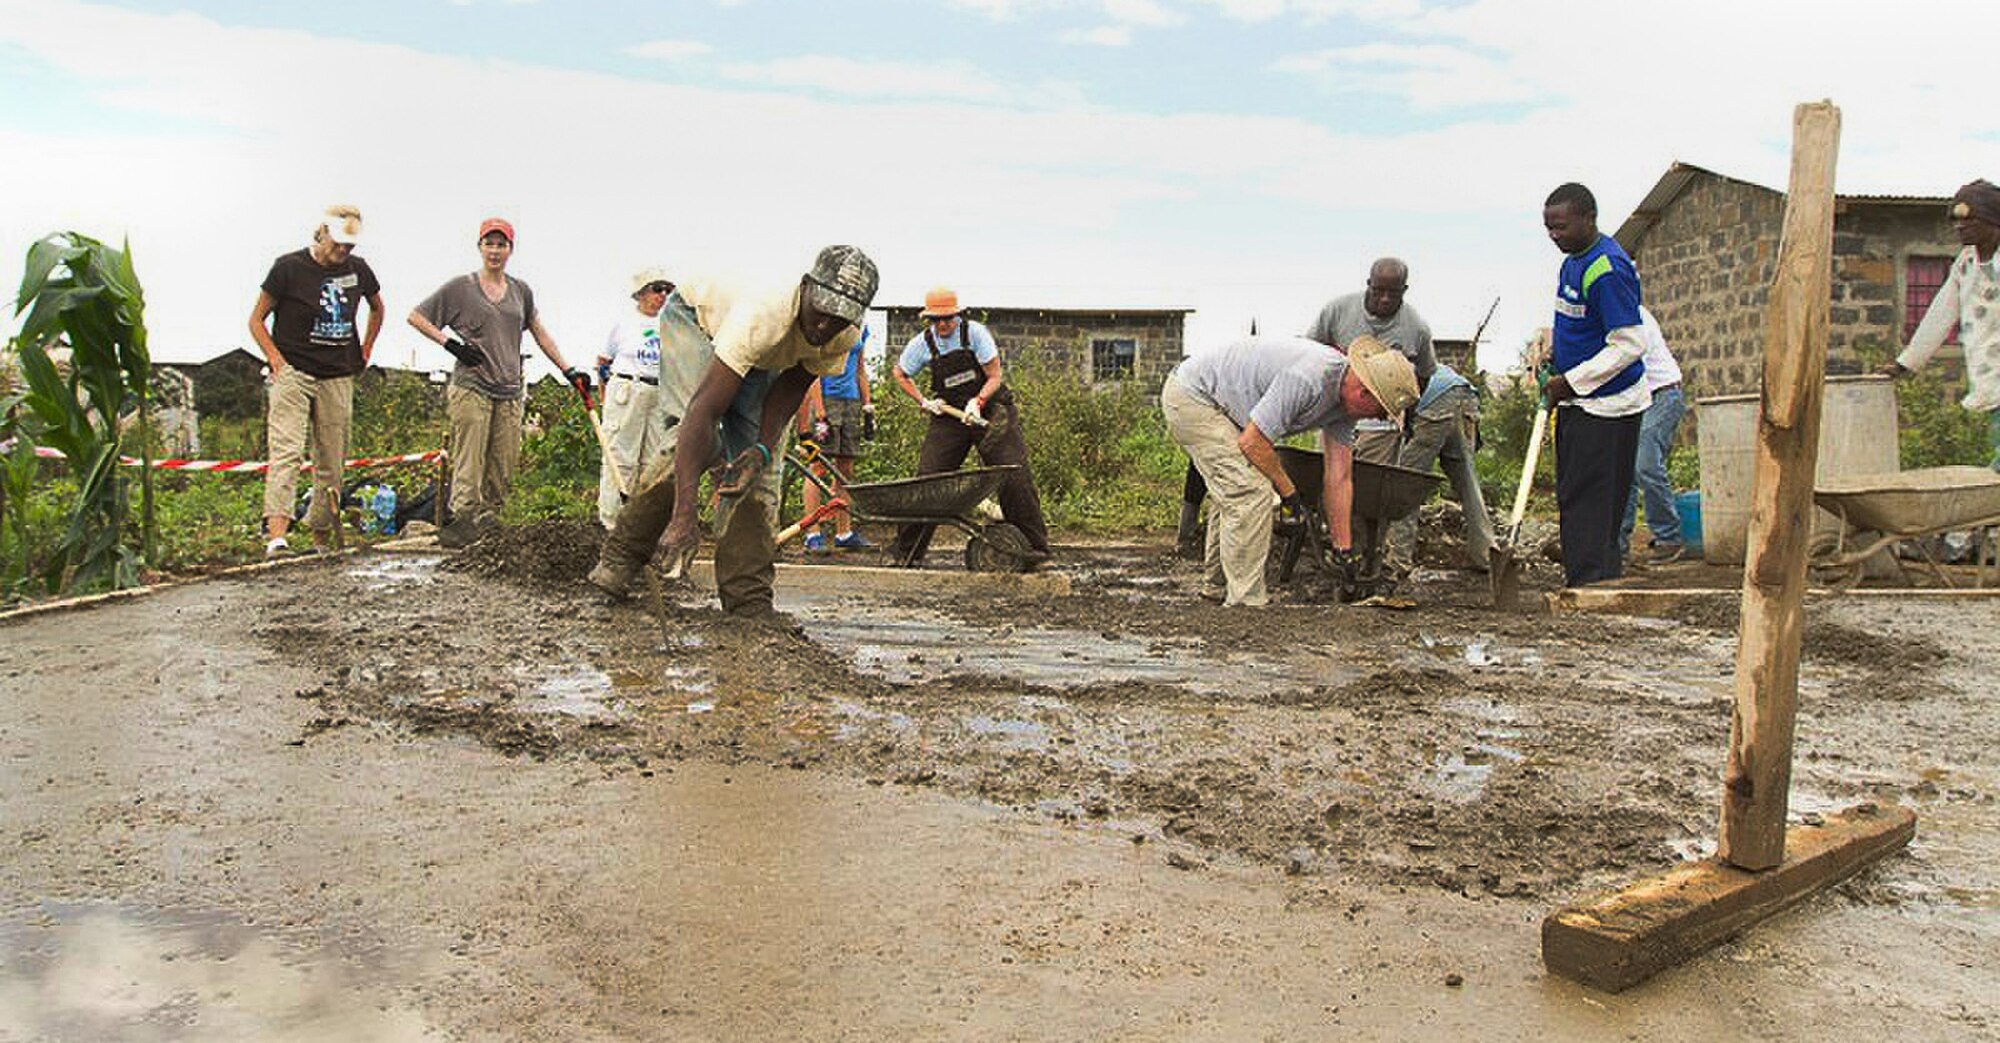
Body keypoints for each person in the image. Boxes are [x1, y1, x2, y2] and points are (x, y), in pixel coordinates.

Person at [586, 245, 880, 622]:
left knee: (759, 474)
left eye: (838, 319)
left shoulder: (842, 335)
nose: (824, 327)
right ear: (806, 287)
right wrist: (685, 515)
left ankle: (747, 597)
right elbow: (704, 411)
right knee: (690, 443)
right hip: (696, 320)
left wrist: (760, 448)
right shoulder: (764, 315)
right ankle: (620, 560)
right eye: (821, 311)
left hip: (763, 354)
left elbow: (792, 387)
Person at [1160, 333, 1418, 607]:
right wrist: (1289, 493)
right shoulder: (1309, 378)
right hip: (1194, 396)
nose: (1376, 419)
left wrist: (1342, 548)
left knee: (1237, 488)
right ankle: (1245, 603)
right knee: (1251, 491)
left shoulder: (1344, 407)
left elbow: (1339, 476)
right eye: (1379, 412)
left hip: (1227, 409)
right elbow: (1253, 442)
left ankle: (1216, 585)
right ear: (1363, 392)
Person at [408, 218, 589, 548]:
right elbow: (416, 316)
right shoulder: (460, 287)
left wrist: (568, 369)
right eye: (489, 243)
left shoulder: (520, 291)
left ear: (510, 249)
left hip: (509, 388)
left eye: (501, 244)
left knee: (502, 466)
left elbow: (539, 332)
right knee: (469, 461)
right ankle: (463, 526)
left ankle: (492, 533)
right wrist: (450, 343)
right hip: (472, 386)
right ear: (479, 247)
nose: (495, 250)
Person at [247, 204, 383, 558]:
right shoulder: (289, 268)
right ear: (322, 233)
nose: (342, 252)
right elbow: (257, 320)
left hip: (337, 372)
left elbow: (378, 306)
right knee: (287, 451)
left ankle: (320, 533)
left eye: (349, 247)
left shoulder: (358, 270)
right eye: (337, 244)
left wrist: (366, 347)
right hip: (294, 371)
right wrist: (275, 360)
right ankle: (277, 536)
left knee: (332, 457)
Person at [887, 287, 1050, 567]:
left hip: (990, 412)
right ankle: (906, 553)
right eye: (936, 320)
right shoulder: (923, 343)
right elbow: (900, 373)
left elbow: (995, 375)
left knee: (1013, 474)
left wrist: (979, 400)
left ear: (958, 315)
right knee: (929, 479)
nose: (942, 325)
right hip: (950, 416)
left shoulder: (975, 334)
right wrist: (924, 401)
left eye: (948, 319)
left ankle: (1033, 551)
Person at [1541, 182, 1649, 587]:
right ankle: (1588, 578)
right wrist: (1555, 355)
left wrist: (1571, 382)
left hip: (1608, 405)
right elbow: (1576, 322)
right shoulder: (1572, 262)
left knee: (1594, 498)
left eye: (1562, 227)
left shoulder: (1608, 269)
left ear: (1589, 219)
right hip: (1579, 402)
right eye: (1549, 228)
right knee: (1575, 495)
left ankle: (1592, 585)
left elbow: (1629, 344)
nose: (1554, 236)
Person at [1304, 257, 1440, 568]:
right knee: (1334, 489)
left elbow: (1424, 374)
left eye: (1393, 294)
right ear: (1368, 284)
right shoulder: (1338, 311)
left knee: (1368, 498)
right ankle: (1339, 555)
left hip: (1380, 428)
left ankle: (1364, 560)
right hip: (1336, 416)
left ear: (1404, 291)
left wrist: (1407, 413)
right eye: (1378, 291)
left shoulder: (1415, 327)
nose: (1384, 299)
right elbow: (1310, 351)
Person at [1879, 179, 2000, 472]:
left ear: (1992, 220)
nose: (1960, 227)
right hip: (1990, 371)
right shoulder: (1966, 264)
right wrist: (1907, 363)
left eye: (1968, 221)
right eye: (1956, 221)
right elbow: (1940, 314)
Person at [1384, 362, 1495, 575]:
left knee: (1406, 482)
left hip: (1433, 404)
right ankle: (1486, 555)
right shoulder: (1428, 364)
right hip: (1467, 397)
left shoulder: (1388, 375)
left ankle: (1398, 561)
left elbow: (1396, 422)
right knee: (1468, 481)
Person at [594, 268, 674, 528]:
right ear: (641, 293)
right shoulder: (624, 323)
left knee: (654, 462)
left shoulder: (670, 325)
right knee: (620, 459)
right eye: (657, 289)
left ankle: (641, 526)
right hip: (628, 388)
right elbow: (603, 363)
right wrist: (606, 398)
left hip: (660, 392)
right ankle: (610, 523)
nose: (662, 295)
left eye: (666, 290)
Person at [795, 325, 876, 552]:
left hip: (850, 402)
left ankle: (844, 532)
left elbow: (860, 369)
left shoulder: (862, 327)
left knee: (845, 470)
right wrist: (820, 410)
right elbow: (812, 369)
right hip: (826, 399)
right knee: (817, 466)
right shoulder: (827, 324)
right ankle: (812, 534)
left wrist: (867, 405)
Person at [1619, 306, 1687, 564]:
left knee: (1644, 463)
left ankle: (1669, 538)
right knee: (1624, 470)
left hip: (1663, 394)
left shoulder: (1633, 314)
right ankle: (1618, 545)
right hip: (1638, 400)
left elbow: (1625, 354)